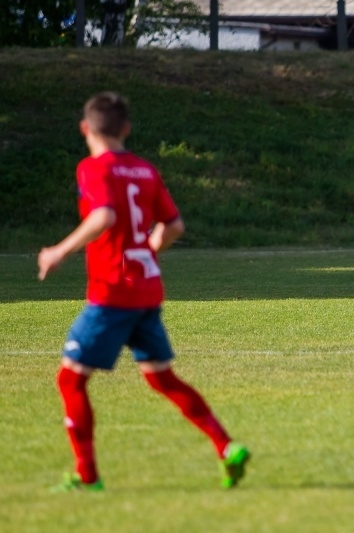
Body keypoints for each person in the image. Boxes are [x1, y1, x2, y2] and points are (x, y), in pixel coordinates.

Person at [38, 92, 250, 491]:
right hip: (146, 289)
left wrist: (59, 250)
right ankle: (226, 446)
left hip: (112, 293)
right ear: (126, 129)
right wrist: (145, 251)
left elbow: (104, 215)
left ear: (86, 128)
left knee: (71, 382)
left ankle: (87, 477)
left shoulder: (92, 168)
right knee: (162, 379)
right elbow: (173, 227)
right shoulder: (145, 170)